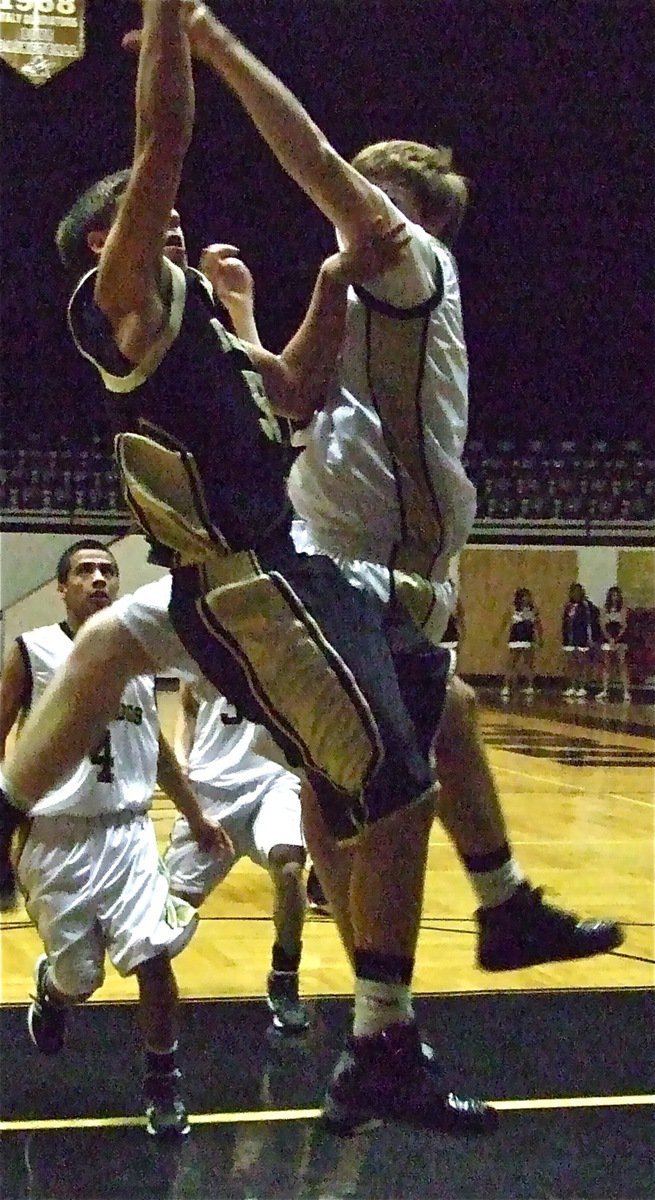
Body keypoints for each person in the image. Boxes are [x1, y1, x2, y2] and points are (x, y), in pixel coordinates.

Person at [0, 3, 494, 1137]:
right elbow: (162, 146)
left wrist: (298, 302)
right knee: (395, 781)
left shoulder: (200, 329)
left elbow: (294, 399)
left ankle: (381, 1035)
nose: (172, 231)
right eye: (148, 228)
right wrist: (175, 26)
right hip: (248, 578)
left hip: (250, 572)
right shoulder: (119, 306)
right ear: (104, 243)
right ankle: (383, 1043)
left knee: (364, 745)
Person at [0, 538, 229, 1137]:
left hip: (128, 834)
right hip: (56, 838)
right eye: (84, 571)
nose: (99, 579)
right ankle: (53, 988)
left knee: (153, 956)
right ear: (62, 587)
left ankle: (163, 1082)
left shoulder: (136, 659)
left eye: (107, 570)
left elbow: (152, 749)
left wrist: (198, 818)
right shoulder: (30, 651)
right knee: (82, 979)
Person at [166, 682, 310, 1031]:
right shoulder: (204, 644)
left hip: (275, 783)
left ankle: (285, 976)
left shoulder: (290, 644)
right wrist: (183, 753)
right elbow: (188, 705)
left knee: (289, 865)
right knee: (164, 926)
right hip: (212, 791)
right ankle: (62, 978)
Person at [561, 582, 602, 700]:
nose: (576, 594)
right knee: (571, 663)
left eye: (578, 592)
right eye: (573, 592)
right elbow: (566, 622)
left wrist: (591, 638)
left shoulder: (587, 606)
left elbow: (590, 622)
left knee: (582, 663)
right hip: (569, 639)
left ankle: (582, 685)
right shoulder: (568, 606)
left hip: (582, 638)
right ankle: (572, 685)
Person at [501, 588, 543, 700]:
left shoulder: (533, 610)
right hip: (515, 639)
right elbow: (505, 623)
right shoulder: (512, 609)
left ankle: (530, 686)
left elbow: (538, 625)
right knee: (511, 663)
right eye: (524, 596)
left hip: (528, 639)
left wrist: (540, 638)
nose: (526, 599)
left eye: (528, 596)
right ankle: (506, 686)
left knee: (528, 663)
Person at [597, 586, 631, 703]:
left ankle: (626, 691)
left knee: (622, 664)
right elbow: (602, 625)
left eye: (616, 595)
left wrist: (616, 638)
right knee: (606, 664)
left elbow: (624, 625)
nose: (614, 597)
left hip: (620, 639)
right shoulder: (604, 609)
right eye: (612, 595)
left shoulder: (623, 609)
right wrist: (609, 638)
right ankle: (605, 689)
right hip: (607, 638)